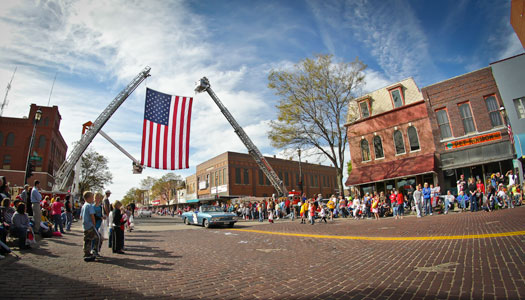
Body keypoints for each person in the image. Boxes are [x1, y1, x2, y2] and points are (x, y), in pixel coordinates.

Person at [80, 192, 100, 262]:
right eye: (92, 197)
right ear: (88, 198)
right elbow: (92, 216)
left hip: (85, 225)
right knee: (98, 237)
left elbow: (81, 216)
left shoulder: (83, 206)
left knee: (87, 239)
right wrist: (94, 224)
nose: (93, 199)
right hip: (90, 225)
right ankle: (94, 250)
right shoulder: (89, 206)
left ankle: (86, 253)